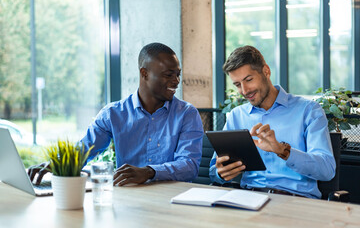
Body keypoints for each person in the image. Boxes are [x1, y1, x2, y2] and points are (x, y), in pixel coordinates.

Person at [29, 42, 204, 186]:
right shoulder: (113, 114)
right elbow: (85, 149)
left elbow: (189, 165)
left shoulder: (187, 114)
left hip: (172, 200)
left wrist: (149, 172)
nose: (176, 81)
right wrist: (56, 164)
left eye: (178, 74)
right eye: (169, 75)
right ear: (144, 73)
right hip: (128, 199)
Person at [209, 45, 335, 198]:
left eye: (248, 80)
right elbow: (214, 171)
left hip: (295, 201)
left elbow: (327, 170)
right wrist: (220, 173)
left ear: (266, 71)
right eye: (237, 84)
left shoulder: (308, 111)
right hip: (248, 198)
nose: (244, 90)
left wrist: (283, 151)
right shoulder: (236, 116)